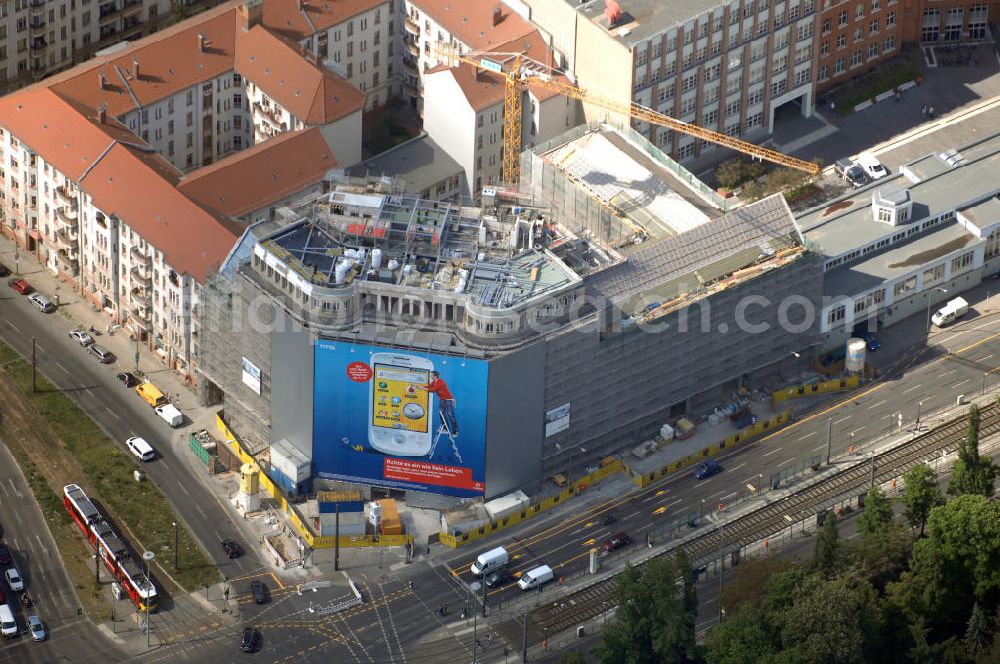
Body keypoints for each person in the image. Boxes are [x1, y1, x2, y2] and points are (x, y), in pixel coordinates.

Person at [418, 371, 459, 436]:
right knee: (441, 414)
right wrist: (419, 386)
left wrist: (422, 388)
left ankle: (455, 431)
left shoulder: (440, 382)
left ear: (435, 376)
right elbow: (428, 386)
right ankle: (445, 429)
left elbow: (433, 390)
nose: (431, 376)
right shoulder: (434, 382)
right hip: (442, 400)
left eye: (432, 375)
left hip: (448, 400)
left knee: (450, 416)